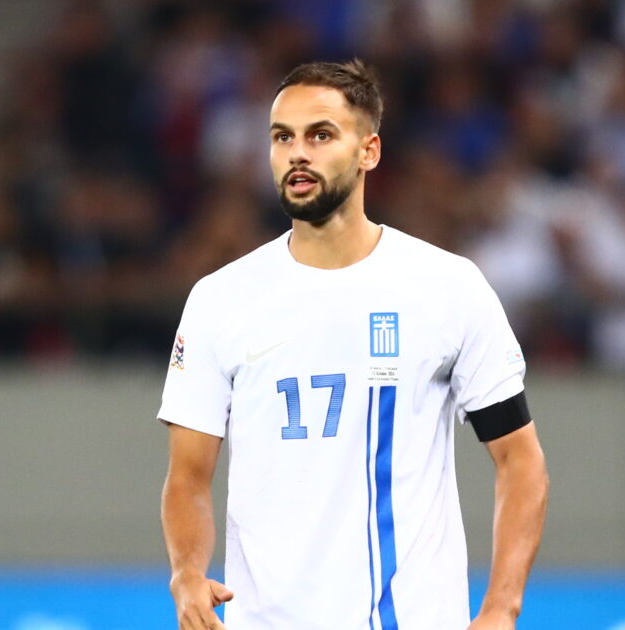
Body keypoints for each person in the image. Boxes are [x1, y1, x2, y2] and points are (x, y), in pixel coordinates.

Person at [159, 60, 549, 630]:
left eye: (320, 135)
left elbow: (520, 461)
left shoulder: (447, 287)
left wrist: (500, 608)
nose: (297, 153)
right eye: (282, 137)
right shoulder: (220, 300)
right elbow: (188, 477)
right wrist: (186, 571)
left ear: (369, 151)